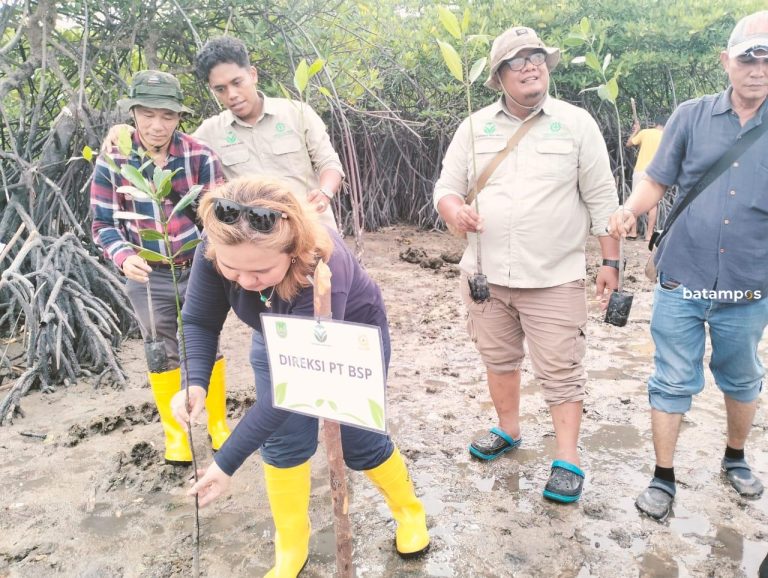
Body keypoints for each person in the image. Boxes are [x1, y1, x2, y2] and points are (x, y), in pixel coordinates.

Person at [171, 177, 430, 575]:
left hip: (348, 339)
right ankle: (291, 546)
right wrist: (195, 380)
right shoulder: (217, 249)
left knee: (359, 439)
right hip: (275, 335)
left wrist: (225, 463)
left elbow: (291, 391)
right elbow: (199, 321)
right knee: (283, 443)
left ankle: (409, 512)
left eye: (259, 271)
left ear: (292, 250)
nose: (243, 281)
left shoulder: (322, 263)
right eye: (231, 269)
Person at [433, 26, 620, 503]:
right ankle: (508, 429)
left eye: (536, 57)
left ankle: (568, 457)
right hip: (484, 275)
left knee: (561, 370)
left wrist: (610, 261)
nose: (530, 66)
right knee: (498, 360)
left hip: (555, 276)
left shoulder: (577, 124)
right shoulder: (473, 127)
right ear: (499, 76)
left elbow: (601, 198)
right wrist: (454, 210)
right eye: (517, 61)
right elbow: (445, 188)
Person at [608, 10, 768, 521]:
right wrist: (631, 209)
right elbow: (656, 180)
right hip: (681, 277)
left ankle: (735, 458)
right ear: (727, 62)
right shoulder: (691, 116)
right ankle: (663, 477)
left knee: (741, 377)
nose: (758, 69)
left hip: (748, 285)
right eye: (748, 57)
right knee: (672, 378)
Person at [90, 70, 230, 465]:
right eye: (147, 114)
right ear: (132, 112)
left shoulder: (200, 156)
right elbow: (102, 223)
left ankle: (218, 424)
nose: (157, 125)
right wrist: (123, 255)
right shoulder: (114, 159)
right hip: (146, 273)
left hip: (199, 268)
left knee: (207, 342)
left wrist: (217, 261)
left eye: (167, 116)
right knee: (160, 349)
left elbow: (218, 219)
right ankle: (177, 434)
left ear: (179, 117)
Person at [103, 37, 344, 230]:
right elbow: (166, 144)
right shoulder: (210, 132)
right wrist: (127, 131)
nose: (232, 95)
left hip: (314, 231)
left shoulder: (297, 112)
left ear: (253, 74)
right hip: (259, 244)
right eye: (220, 89)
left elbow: (329, 163)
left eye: (237, 82)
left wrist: (324, 192)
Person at [625, 114, 666, 241]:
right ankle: (648, 235)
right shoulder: (668, 136)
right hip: (656, 172)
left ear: (655, 123)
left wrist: (636, 131)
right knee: (653, 204)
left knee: (634, 200)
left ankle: (632, 232)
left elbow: (628, 144)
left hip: (640, 170)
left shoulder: (645, 132)